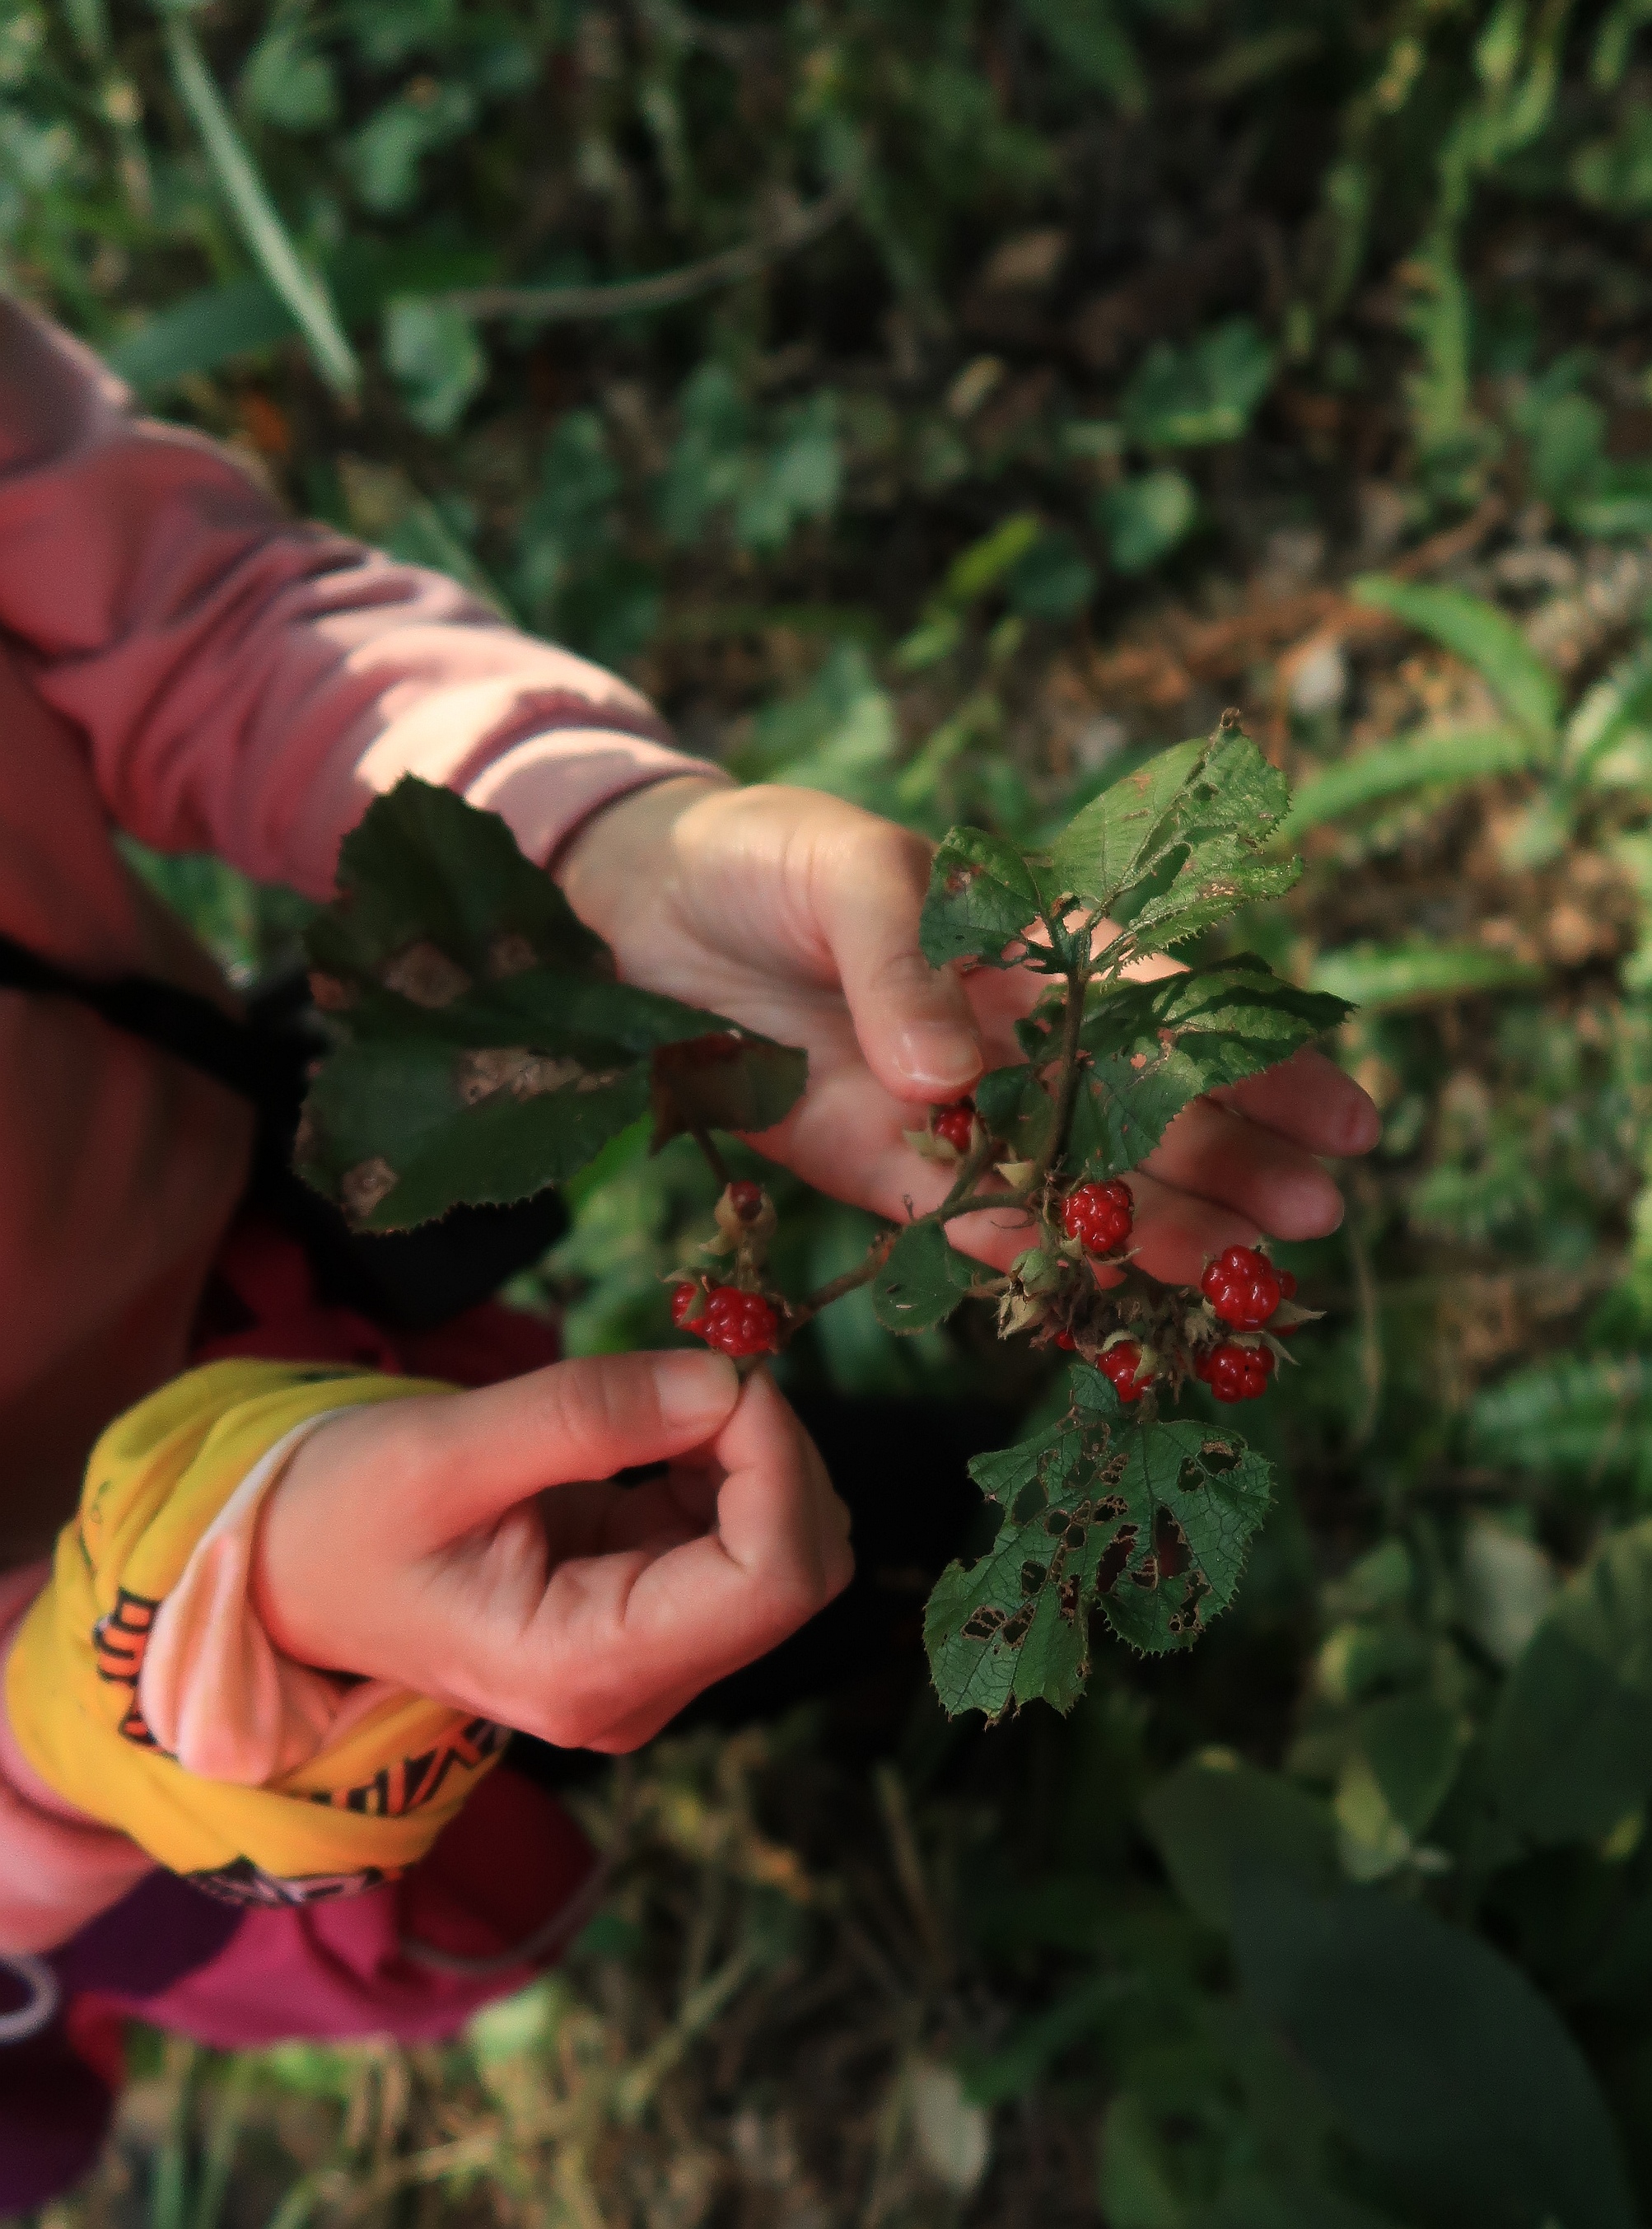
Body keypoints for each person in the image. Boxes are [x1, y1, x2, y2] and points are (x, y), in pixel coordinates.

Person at [0, 296, 1379, 2201]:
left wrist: (601, 850)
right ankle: (817, 1709)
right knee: (564, 1659)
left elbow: (189, 611)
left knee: (707, 1518)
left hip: (281, 1265)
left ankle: (928, 1590)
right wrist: (195, 1623)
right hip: (141, 1730)